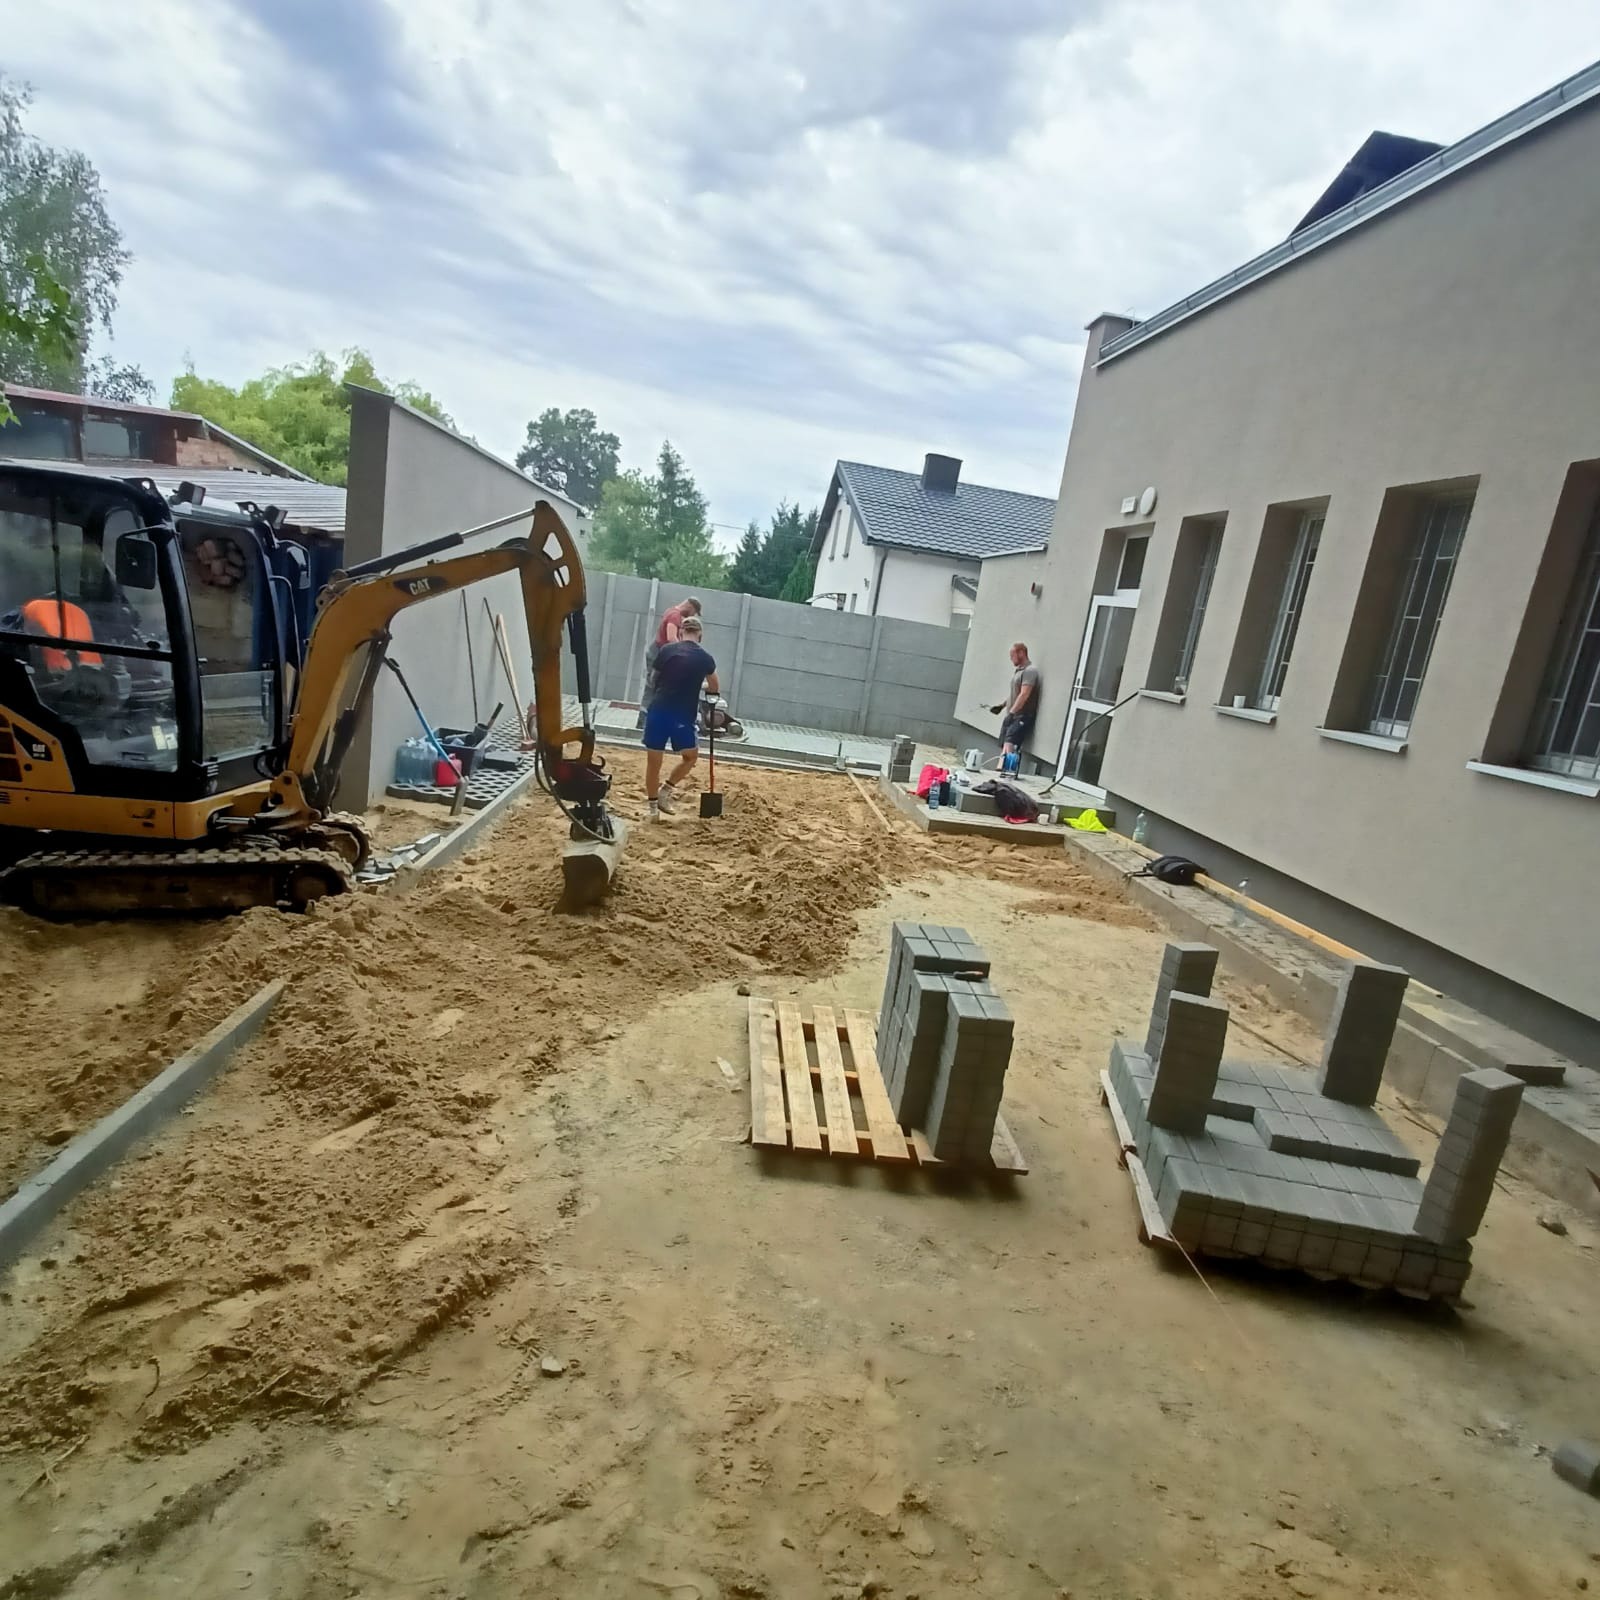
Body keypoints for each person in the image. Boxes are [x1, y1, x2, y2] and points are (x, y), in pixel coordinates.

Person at [643, 613, 718, 819]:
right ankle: (665, 791)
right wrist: (699, 685)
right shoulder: (705, 658)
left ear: (681, 632)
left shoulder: (666, 650)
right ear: (700, 635)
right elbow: (714, 686)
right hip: (682, 716)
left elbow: (653, 679)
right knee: (690, 757)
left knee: (653, 762)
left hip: (658, 710)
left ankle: (652, 811)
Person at [990, 641, 1040, 765]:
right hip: (1012, 714)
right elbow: (1015, 694)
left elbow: (1024, 694)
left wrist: (1012, 713)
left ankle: (1007, 772)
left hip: (1022, 715)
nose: (1011, 659)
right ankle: (1000, 771)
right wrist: (1002, 706)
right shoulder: (1018, 671)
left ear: (1021, 653)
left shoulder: (1030, 671)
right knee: (1004, 742)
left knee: (1010, 742)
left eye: (1012, 656)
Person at [642, 594, 702, 693]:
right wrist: (684, 652)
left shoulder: (671, 610)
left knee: (655, 684)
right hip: (657, 653)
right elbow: (671, 638)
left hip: (657, 651)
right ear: (690, 607)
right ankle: (647, 707)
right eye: (694, 612)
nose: (692, 615)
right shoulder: (675, 616)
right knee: (653, 685)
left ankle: (651, 706)